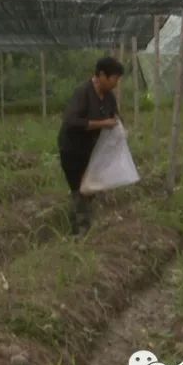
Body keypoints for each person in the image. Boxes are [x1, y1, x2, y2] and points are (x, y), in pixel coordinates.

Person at [58, 57, 124, 235]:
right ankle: (81, 233)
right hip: (72, 150)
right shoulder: (83, 93)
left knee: (89, 189)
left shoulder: (108, 96)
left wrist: (119, 128)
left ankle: (81, 227)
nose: (116, 83)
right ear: (102, 75)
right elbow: (71, 121)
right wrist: (102, 123)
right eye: (114, 79)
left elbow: (114, 117)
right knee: (80, 191)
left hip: (91, 151)